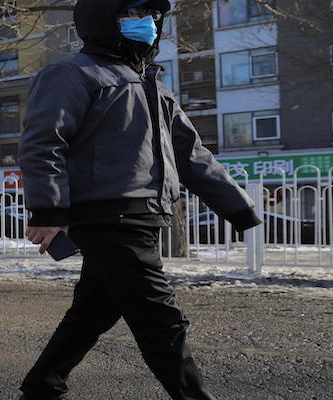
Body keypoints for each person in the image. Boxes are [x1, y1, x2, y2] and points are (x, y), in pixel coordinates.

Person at [17, 0, 262, 399]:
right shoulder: (70, 75)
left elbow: (191, 153)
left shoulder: (152, 84)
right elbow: (43, 144)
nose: (146, 23)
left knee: (93, 313)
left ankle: (41, 387)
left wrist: (237, 207)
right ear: (104, 20)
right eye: (132, 14)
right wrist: (49, 210)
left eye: (150, 15)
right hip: (106, 216)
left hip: (144, 216)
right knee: (160, 318)